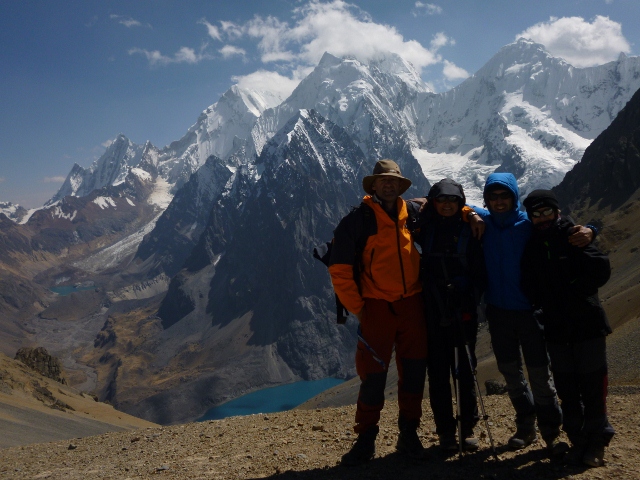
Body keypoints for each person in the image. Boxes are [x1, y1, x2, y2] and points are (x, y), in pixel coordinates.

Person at [470, 173, 593, 454]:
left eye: (505, 196)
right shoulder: (483, 222)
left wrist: (593, 229)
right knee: (511, 374)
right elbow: (456, 204)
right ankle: (526, 426)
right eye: (494, 197)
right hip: (498, 314)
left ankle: (552, 431)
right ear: (487, 200)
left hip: (530, 312)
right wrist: (472, 214)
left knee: (539, 374)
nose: (499, 202)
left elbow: (567, 229)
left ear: (514, 198)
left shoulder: (530, 225)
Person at [329, 159, 428, 466]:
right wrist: (360, 308)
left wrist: (470, 213)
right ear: (373, 186)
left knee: (413, 372)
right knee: (373, 376)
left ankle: (408, 433)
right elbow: (339, 269)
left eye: (394, 181)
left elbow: (452, 210)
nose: (388, 185)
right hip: (377, 308)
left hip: (412, 304)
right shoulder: (357, 220)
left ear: (400, 187)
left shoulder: (412, 214)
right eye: (383, 181)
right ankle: (366, 438)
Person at [521, 190, 614, 467]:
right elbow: (528, 283)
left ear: (556, 211)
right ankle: (578, 441)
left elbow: (601, 270)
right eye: (536, 215)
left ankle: (597, 443)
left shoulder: (576, 235)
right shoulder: (533, 245)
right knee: (568, 389)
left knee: (593, 385)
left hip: (588, 325)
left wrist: (574, 288)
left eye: (546, 212)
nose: (541, 219)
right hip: (556, 328)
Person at [414, 178, 486, 452]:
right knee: (438, 373)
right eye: (441, 200)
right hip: (433, 309)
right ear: (433, 202)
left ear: (461, 203)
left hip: (462, 310)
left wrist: (467, 293)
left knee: (465, 372)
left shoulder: (471, 229)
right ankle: (446, 430)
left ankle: (466, 428)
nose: (447, 205)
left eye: (453, 200)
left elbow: (480, 272)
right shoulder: (425, 226)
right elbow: (405, 205)